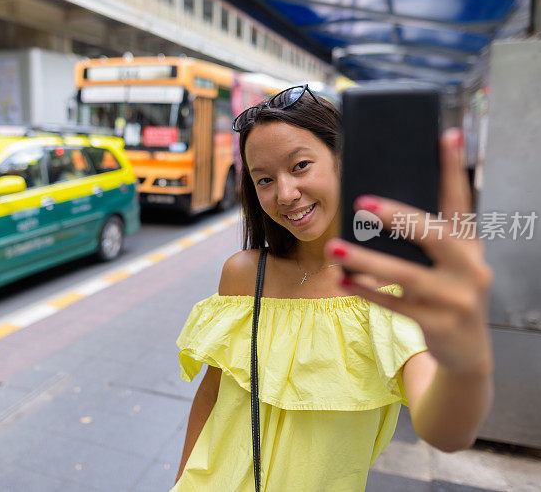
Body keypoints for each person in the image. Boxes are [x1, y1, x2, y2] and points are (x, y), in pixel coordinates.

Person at [172, 86, 494, 491]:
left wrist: (468, 362)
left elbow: (447, 432)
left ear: (344, 160)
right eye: (264, 179)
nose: (285, 194)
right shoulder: (242, 274)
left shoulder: (385, 290)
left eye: (301, 166)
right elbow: (212, 392)